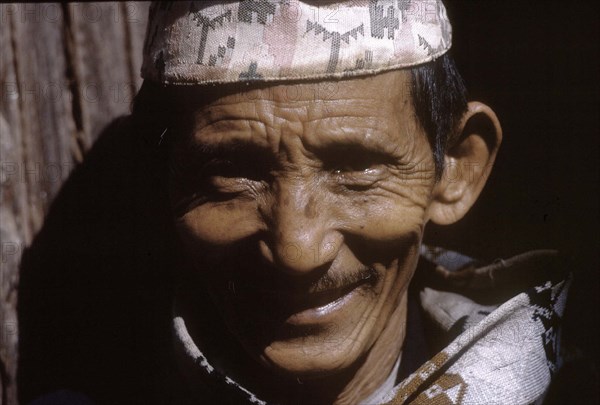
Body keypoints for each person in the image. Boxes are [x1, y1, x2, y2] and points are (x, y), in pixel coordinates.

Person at [21, 1, 572, 404]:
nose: (297, 249)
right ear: (158, 181)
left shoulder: (565, 383)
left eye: (355, 167)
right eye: (232, 174)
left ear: (452, 169)